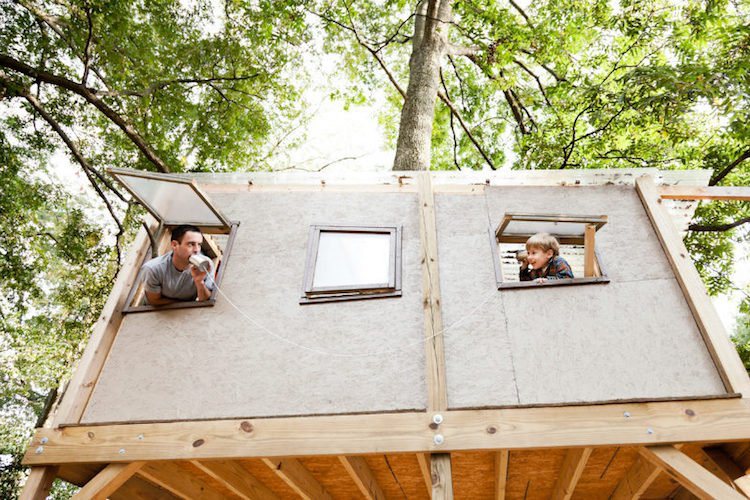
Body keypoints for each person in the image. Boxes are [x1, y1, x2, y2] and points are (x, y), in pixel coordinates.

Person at [140, 224, 215, 304]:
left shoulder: (206, 264)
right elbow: (154, 301)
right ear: (174, 245)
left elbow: (206, 302)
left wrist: (199, 281)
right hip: (155, 313)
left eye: (199, 244)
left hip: (187, 313)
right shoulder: (153, 268)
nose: (197, 250)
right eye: (191, 244)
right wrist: (186, 306)